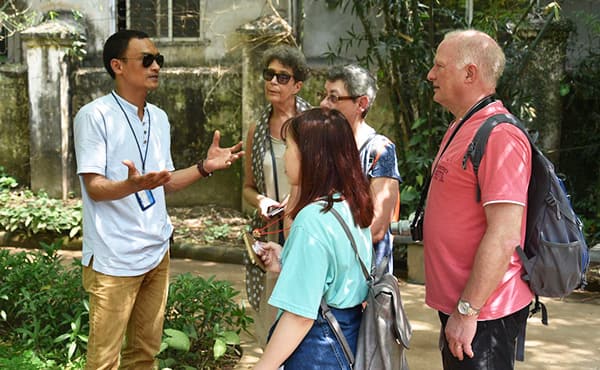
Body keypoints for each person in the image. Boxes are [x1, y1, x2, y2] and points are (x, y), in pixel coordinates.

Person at [73, 29, 243, 369]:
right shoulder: (95, 116)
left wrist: (204, 167)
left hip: (156, 251)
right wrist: (133, 185)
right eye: (147, 60)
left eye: (158, 60)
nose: (156, 67)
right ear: (117, 65)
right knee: (103, 361)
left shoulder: (159, 118)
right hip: (113, 256)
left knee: (144, 355)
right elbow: (95, 187)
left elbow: (166, 183)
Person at [423, 29, 533, 369]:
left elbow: (504, 234)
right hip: (462, 306)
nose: (430, 75)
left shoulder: (500, 136)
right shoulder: (461, 125)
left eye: (439, 66)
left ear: (470, 73)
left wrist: (468, 310)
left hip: (484, 312)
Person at [254, 108, 374, 370]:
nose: (285, 156)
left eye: (289, 147)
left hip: (321, 348)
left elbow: (299, 316)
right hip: (351, 337)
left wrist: (262, 367)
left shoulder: (311, 219)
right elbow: (336, 273)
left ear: (311, 157)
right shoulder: (349, 203)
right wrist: (287, 259)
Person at [242, 44, 311, 345]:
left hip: (308, 235)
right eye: (269, 74)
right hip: (270, 240)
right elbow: (246, 187)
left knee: (304, 325)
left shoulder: (315, 124)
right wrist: (261, 201)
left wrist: (298, 199)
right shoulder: (257, 128)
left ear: (297, 85)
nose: (272, 82)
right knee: (271, 332)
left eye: (282, 77)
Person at [319, 64, 401, 272]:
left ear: (361, 103)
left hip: (363, 277)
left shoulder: (380, 150)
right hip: (327, 272)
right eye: (324, 95)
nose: (323, 104)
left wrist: (328, 250)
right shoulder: (324, 144)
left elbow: (377, 228)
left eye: (334, 98)